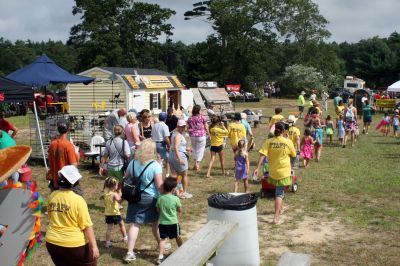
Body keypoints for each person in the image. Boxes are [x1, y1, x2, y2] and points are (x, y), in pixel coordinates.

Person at [45, 165, 99, 266]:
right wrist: (94, 247)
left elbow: (50, 217)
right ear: (75, 182)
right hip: (74, 245)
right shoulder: (78, 200)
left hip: (52, 243)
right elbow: (87, 226)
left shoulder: (52, 196)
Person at [124, 139, 164, 262]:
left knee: (135, 224)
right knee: (155, 223)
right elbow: (159, 186)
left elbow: (126, 179)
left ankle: (130, 252)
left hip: (135, 196)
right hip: (150, 197)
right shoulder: (155, 165)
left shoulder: (133, 163)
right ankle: (160, 244)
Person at [253, 122, 296, 224]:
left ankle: (280, 209)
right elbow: (293, 155)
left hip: (273, 171)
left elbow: (262, 155)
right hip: (284, 171)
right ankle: (276, 217)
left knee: (280, 191)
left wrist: (257, 168)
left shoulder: (269, 141)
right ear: (283, 131)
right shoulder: (288, 142)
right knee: (279, 193)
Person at [47, 118, 80, 193]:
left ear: (58, 130)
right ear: (68, 130)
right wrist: (77, 156)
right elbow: (73, 166)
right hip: (66, 183)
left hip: (55, 181)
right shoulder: (69, 145)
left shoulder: (52, 144)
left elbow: (50, 161)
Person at [156, 177, 183, 264]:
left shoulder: (160, 198)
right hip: (173, 223)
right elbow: (179, 210)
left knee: (163, 239)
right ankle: (182, 250)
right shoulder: (176, 199)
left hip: (163, 223)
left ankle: (160, 257)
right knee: (177, 237)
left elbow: (157, 210)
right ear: (173, 189)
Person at [168, 119, 192, 199]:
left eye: (184, 126)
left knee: (175, 175)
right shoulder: (178, 135)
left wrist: (187, 149)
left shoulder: (175, 133)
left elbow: (176, 146)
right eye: (181, 127)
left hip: (172, 155)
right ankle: (184, 192)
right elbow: (176, 147)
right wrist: (180, 159)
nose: (183, 128)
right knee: (184, 175)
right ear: (178, 126)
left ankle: (176, 191)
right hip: (178, 156)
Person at [103, 176, 128, 248]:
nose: (117, 186)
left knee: (109, 228)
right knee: (121, 224)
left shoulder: (105, 193)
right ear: (114, 186)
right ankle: (125, 237)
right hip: (115, 213)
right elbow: (119, 201)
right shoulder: (114, 194)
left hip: (108, 213)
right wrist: (124, 197)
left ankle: (107, 242)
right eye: (117, 185)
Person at [187, 105, 208, 171]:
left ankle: (195, 164)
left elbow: (187, 127)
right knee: (200, 150)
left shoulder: (190, 118)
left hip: (193, 136)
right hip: (201, 135)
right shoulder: (202, 117)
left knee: (194, 149)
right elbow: (206, 127)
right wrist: (209, 135)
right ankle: (197, 164)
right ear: (199, 110)